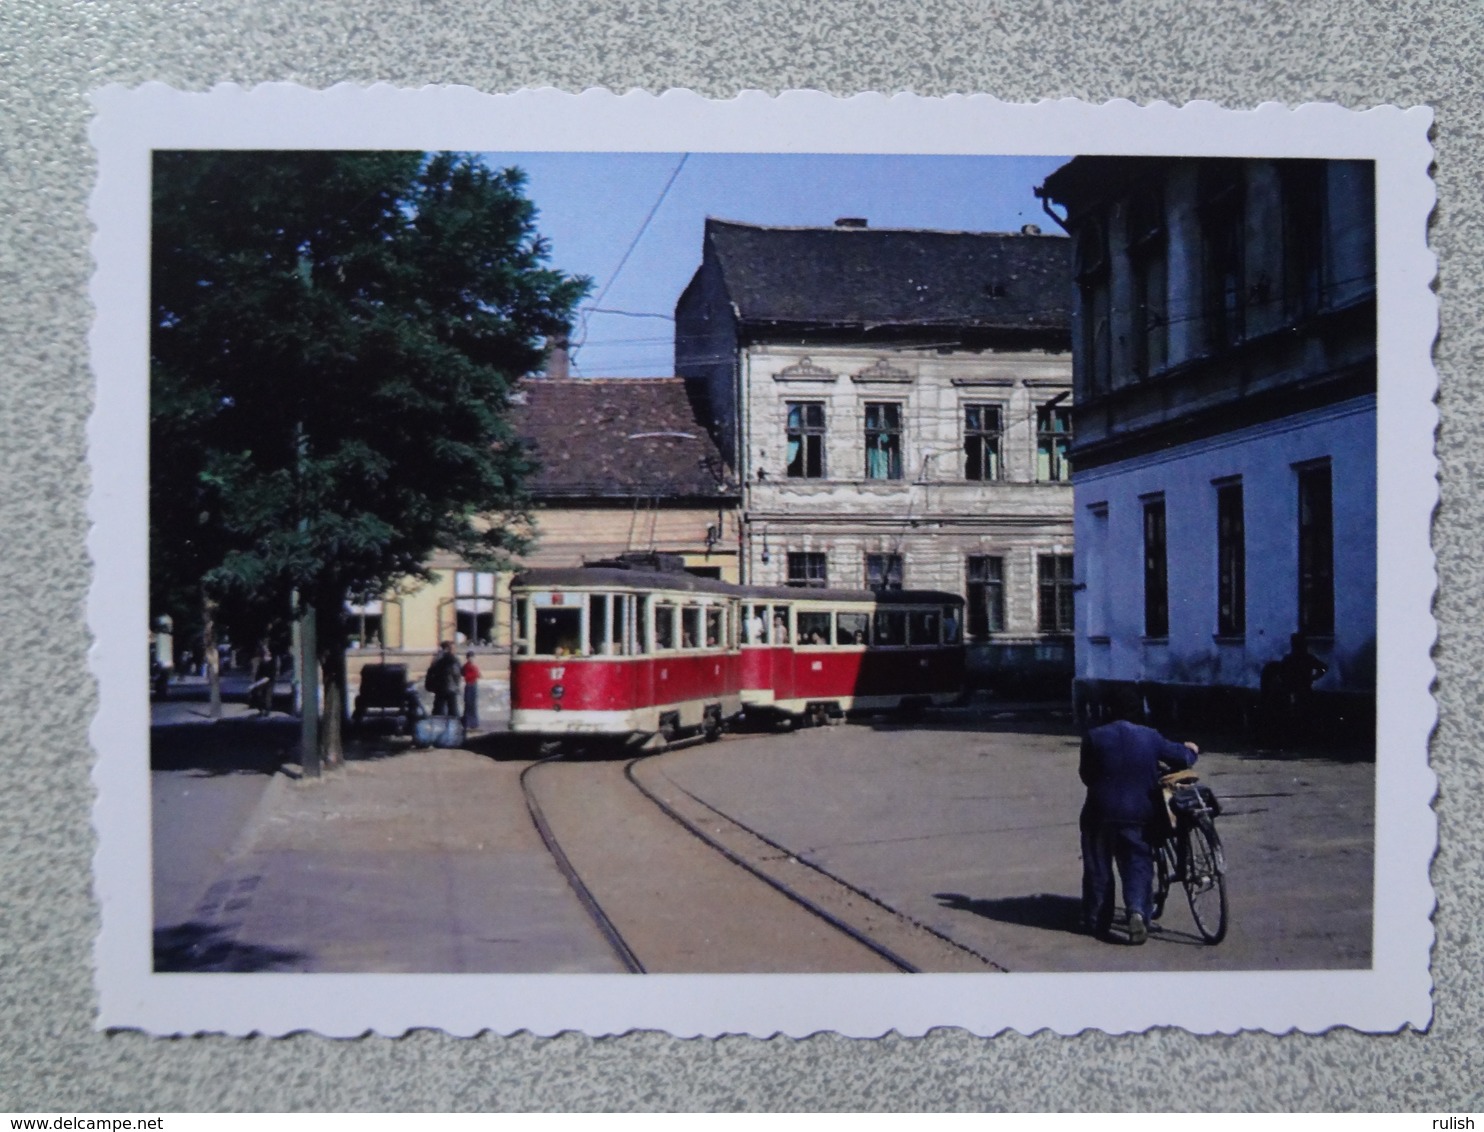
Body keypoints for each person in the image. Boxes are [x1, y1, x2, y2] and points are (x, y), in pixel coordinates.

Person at [1079, 687, 1199, 945]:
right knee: (1137, 862)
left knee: (1098, 866)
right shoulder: (1150, 737)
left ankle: (1097, 919)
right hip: (1140, 813)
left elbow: (1086, 777)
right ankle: (1136, 912)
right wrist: (1191, 750)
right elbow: (1183, 757)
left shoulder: (1094, 736)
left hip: (1100, 812)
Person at [425, 641, 462, 718]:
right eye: (453, 648)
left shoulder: (437, 658)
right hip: (451, 687)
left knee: (438, 710)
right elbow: (456, 673)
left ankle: (437, 725)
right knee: (453, 710)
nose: (455, 650)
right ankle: (455, 726)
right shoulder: (453, 659)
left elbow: (431, 671)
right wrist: (457, 685)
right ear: (449, 648)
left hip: (439, 687)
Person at [248, 643, 275, 716]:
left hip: (268, 682)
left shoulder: (271, 662)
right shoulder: (261, 662)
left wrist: (255, 684)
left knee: (266, 696)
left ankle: (266, 711)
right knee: (258, 694)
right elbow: (258, 673)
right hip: (262, 681)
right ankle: (261, 710)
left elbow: (268, 677)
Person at [461, 650, 482, 732]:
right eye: (470, 657)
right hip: (470, 685)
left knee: (472, 704)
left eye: (472, 657)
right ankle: (470, 722)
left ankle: (471, 722)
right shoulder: (468, 666)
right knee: (470, 704)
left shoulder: (472, 666)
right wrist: (475, 675)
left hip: (472, 685)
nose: (471, 659)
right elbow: (469, 675)